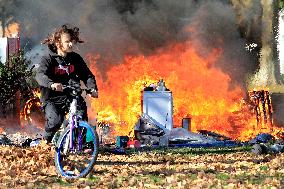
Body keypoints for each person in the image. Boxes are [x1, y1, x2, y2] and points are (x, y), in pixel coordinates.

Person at [35, 24, 98, 143]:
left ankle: (80, 144)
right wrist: (51, 84)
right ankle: (45, 142)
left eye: (72, 41)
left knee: (81, 115)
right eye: (67, 41)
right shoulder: (48, 58)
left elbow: (87, 75)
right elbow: (39, 75)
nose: (71, 44)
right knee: (55, 121)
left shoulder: (75, 58)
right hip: (51, 98)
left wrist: (92, 88)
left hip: (70, 94)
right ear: (58, 43)